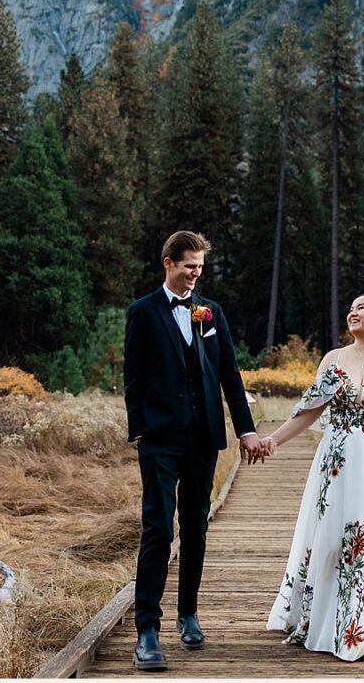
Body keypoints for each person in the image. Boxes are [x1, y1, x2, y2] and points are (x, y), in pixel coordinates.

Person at [258, 293, 364, 661]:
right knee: (333, 536)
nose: (352, 313)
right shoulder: (332, 360)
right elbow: (309, 411)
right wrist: (273, 439)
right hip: (336, 464)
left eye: (361, 308)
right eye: (350, 309)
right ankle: (324, 617)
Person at [123, 230, 265, 671]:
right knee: (158, 530)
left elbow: (229, 375)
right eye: (188, 266)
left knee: (196, 530)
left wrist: (245, 430)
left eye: (200, 267)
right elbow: (134, 377)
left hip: (204, 437)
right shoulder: (143, 313)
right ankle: (147, 629)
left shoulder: (211, 313)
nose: (194, 274)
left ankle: (188, 613)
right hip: (160, 440)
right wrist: (141, 431)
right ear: (168, 262)